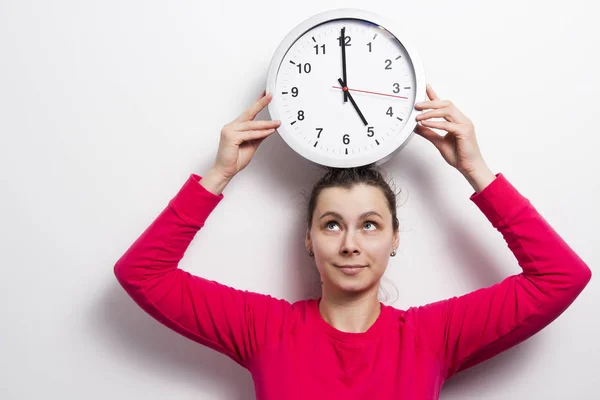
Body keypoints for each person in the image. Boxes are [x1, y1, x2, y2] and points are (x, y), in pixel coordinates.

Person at [114, 84, 592, 399]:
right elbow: (142, 274)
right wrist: (218, 174)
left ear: (394, 239)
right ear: (308, 240)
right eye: (331, 225)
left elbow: (561, 277)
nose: (350, 245)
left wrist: (475, 169)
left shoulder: (430, 337)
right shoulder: (265, 329)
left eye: (369, 224)